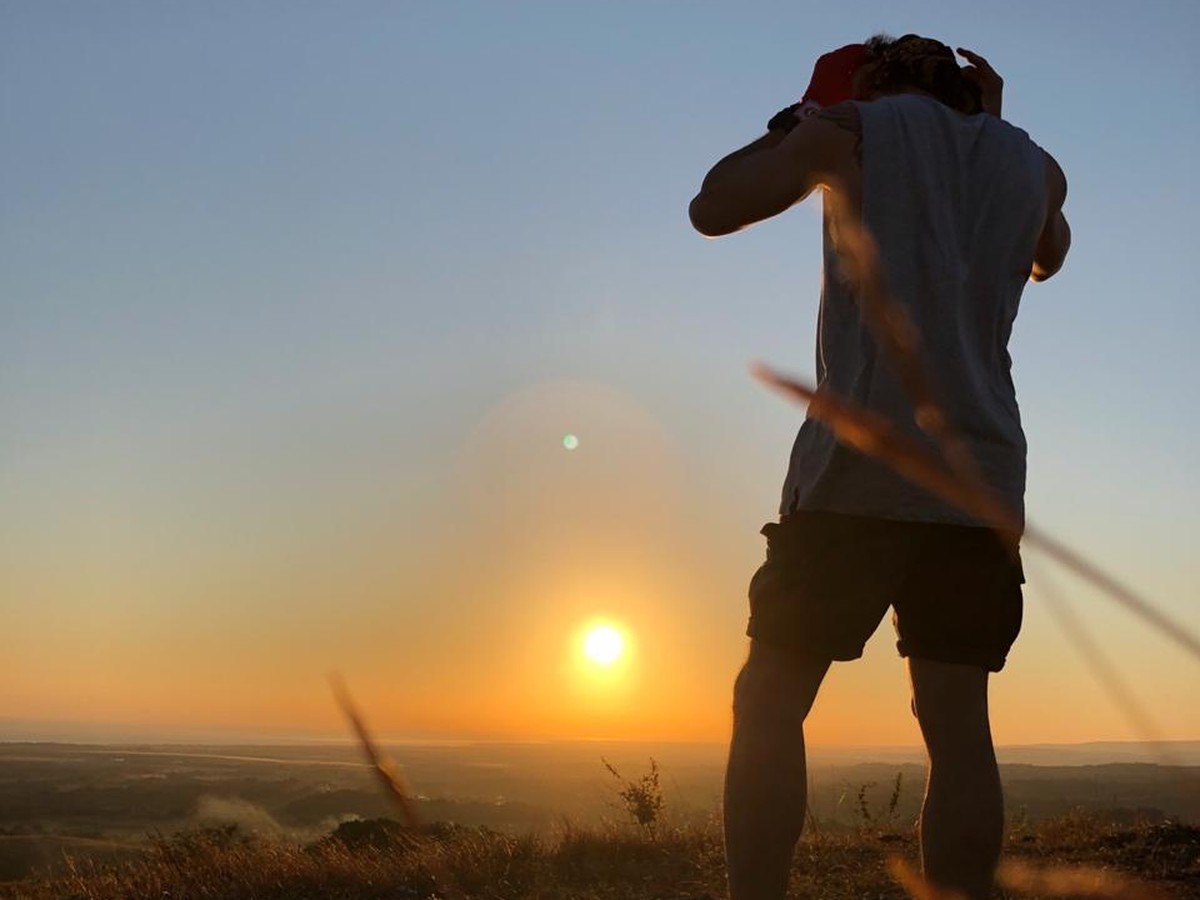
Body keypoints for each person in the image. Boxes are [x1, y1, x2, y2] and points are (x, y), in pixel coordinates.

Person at [688, 34, 1071, 900]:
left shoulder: (851, 131)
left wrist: (800, 124)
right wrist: (992, 131)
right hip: (981, 483)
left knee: (772, 700)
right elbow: (1049, 256)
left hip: (855, 479)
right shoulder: (1035, 165)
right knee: (957, 724)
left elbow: (712, 207)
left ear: (872, 81)